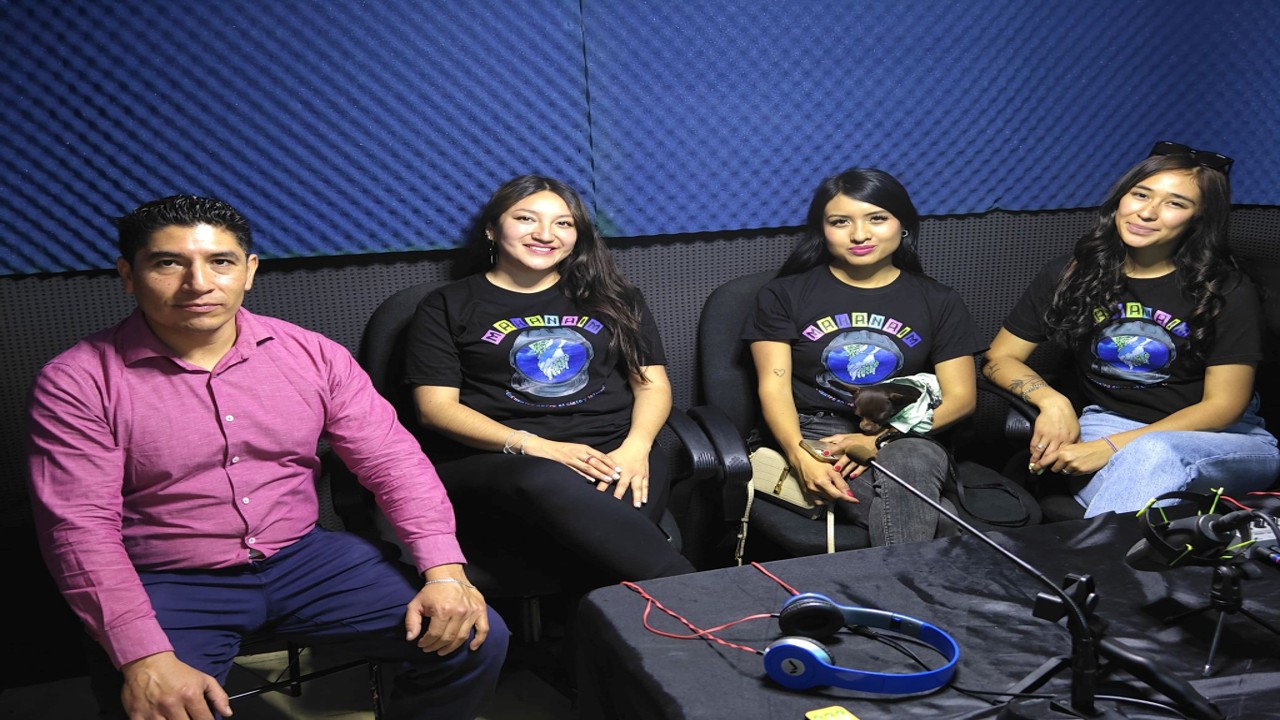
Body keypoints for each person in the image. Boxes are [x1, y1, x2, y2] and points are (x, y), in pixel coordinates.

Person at [25, 195, 509, 720]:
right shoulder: (77, 382)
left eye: (221, 261)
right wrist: (144, 656)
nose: (198, 283)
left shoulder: (313, 355)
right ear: (128, 274)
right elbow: (79, 528)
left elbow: (394, 464)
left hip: (305, 559)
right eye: (168, 263)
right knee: (161, 704)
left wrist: (445, 573)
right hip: (167, 576)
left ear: (249, 271)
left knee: (474, 638)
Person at [403, 175, 695, 589]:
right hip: (504, 458)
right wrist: (539, 447)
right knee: (551, 487)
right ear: (492, 229)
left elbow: (652, 385)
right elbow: (435, 409)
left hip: (613, 453)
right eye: (526, 218)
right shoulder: (447, 305)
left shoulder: (615, 297)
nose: (545, 234)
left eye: (563, 223)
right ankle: (699, 595)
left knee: (606, 541)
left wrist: (638, 447)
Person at [982, 142, 1280, 517]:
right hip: (1104, 424)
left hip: (1222, 439)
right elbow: (999, 357)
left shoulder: (1227, 290)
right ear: (1121, 197)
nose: (1148, 212)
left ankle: (1088, 553)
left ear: (1199, 217)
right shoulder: (1070, 274)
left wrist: (1112, 448)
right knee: (1146, 501)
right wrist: (1052, 402)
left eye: (1175, 203)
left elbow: (1224, 406)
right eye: (1141, 194)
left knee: (1151, 455)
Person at [743, 168, 984, 546]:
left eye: (877, 218)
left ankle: (902, 581)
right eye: (840, 222)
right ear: (822, 229)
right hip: (812, 430)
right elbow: (774, 388)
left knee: (911, 462)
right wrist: (800, 456)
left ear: (903, 225)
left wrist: (881, 439)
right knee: (935, 517)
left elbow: (962, 398)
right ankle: (922, 571)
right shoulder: (783, 295)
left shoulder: (939, 301)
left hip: (906, 430)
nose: (859, 235)